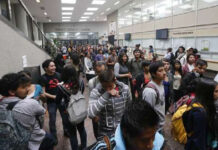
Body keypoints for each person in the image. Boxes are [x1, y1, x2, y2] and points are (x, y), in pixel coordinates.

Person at [0, 73, 46, 150]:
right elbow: (42, 113)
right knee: (50, 139)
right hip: (34, 144)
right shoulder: (30, 103)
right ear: (12, 91)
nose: (28, 89)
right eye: (23, 87)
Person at [88, 69, 132, 140]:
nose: (108, 89)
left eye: (110, 86)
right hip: (104, 131)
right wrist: (106, 94)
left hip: (122, 129)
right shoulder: (96, 92)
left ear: (115, 80)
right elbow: (90, 113)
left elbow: (129, 107)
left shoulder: (125, 89)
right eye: (105, 87)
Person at [55, 65, 87, 150]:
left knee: (72, 134)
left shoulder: (61, 87)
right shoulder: (81, 82)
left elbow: (57, 100)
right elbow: (81, 93)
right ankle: (84, 147)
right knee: (82, 129)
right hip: (80, 109)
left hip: (69, 112)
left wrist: (63, 108)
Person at [183, 78, 217, 150]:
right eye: (216, 91)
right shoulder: (200, 113)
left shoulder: (204, 104)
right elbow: (198, 140)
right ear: (208, 93)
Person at [39, 59, 67, 144]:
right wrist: (53, 97)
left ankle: (66, 131)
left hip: (61, 100)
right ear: (45, 68)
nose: (54, 67)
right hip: (51, 102)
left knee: (65, 117)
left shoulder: (59, 75)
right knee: (52, 120)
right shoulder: (43, 78)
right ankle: (54, 137)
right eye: (51, 66)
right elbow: (43, 92)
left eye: (54, 65)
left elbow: (64, 86)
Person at [142, 61, 166, 133]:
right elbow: (147, 113)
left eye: (164, 70)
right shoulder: (150, 91)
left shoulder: (161, 83)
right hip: (154, 128)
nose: (164, 72)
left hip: (160, 125)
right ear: (153, 74)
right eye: (160, 71)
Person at [88, 61, 106, 139]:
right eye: (98, 72)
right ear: (95, 72)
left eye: (103, 71)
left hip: (107, 110)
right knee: (98, 133)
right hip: (97, 111)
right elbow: (92, 99)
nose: (101, 74)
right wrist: (95, 115)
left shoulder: (110, 79)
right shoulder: (92, 82)